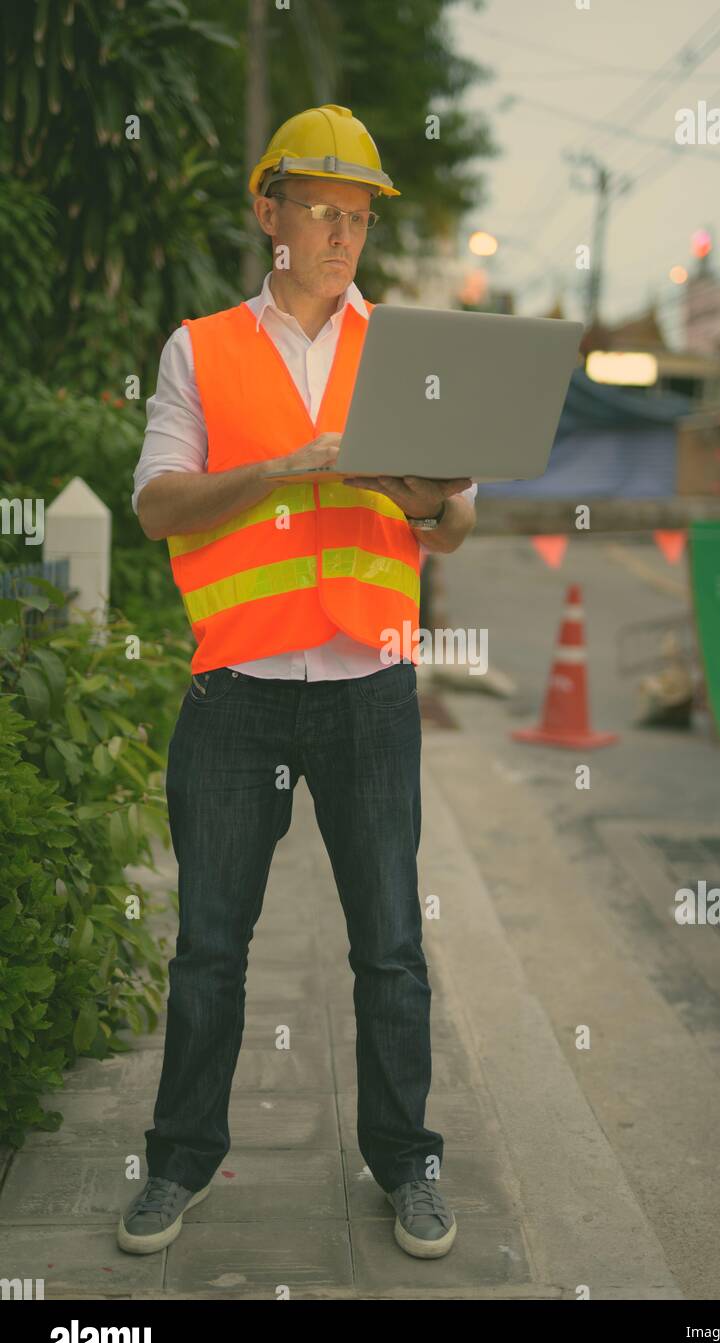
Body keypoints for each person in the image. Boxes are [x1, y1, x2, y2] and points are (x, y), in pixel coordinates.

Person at [117, 105, 476, 1262]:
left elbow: (455, 526)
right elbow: (157, 503)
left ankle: (407, 1160)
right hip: (238, 692)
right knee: (211, 945)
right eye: (320, 208)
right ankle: (178, 1161)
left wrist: (411, 493)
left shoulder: (410, 352)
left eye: (358, 214)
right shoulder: (200, 349)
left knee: (390, 948)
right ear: (267, 210)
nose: (339, 232)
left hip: (369, 688)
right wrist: (282, 468)